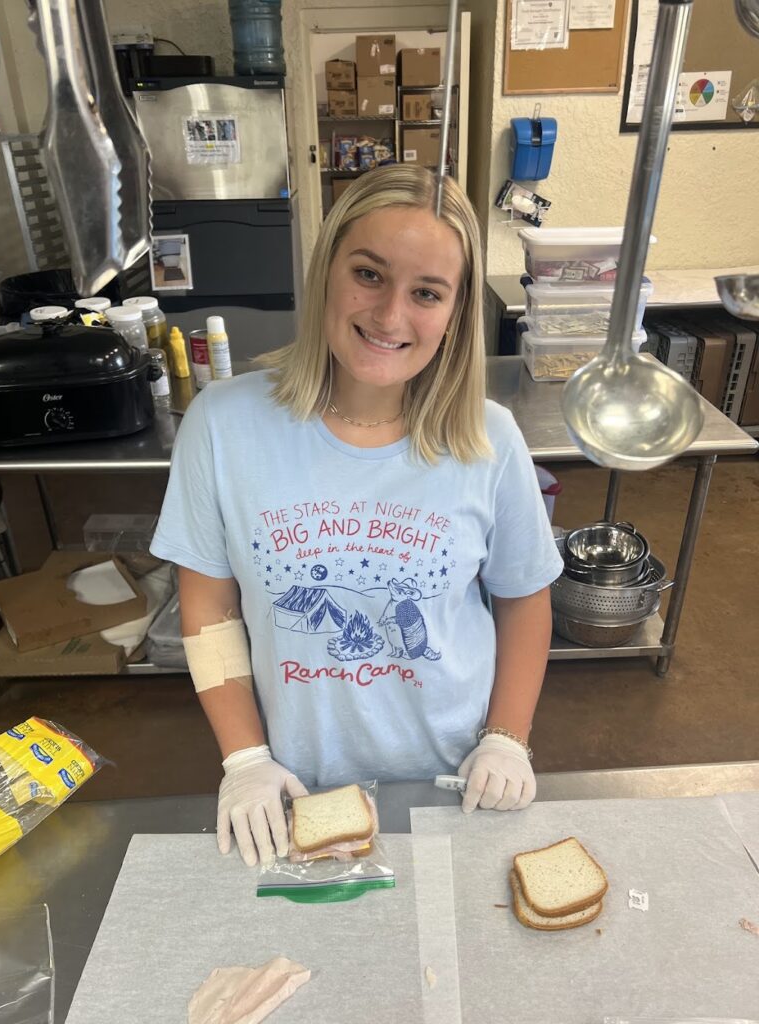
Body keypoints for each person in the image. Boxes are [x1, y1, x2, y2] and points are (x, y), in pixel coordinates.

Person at [150, 165, 563, 868]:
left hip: (453, 778)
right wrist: (244, 756)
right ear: (327, 268)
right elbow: (209, 606)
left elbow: (523, 601)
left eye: (427, 293)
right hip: (294, 779)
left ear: (455, 311)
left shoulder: (490, 440)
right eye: (369, 274)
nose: (391, 316)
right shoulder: (222, 425)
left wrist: (507, 737)